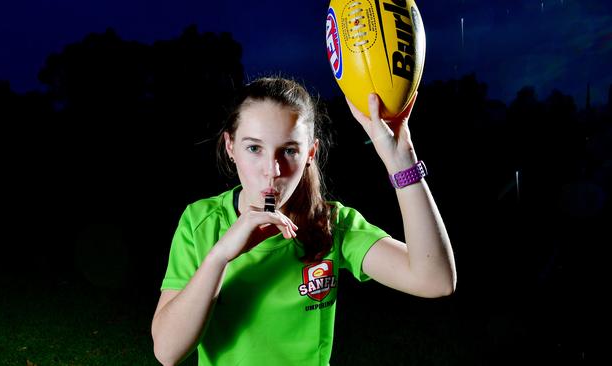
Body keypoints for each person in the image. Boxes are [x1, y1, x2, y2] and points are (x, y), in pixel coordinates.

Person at [151, 76, 456, 366]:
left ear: (310, 152)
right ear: (230, 146)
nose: (272, 170)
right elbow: (167, 352)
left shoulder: (332, 224)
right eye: (254, 148)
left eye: (289, 151)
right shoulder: (200, 221)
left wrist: (401, 161)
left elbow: (435, 281)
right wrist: (220, 256)